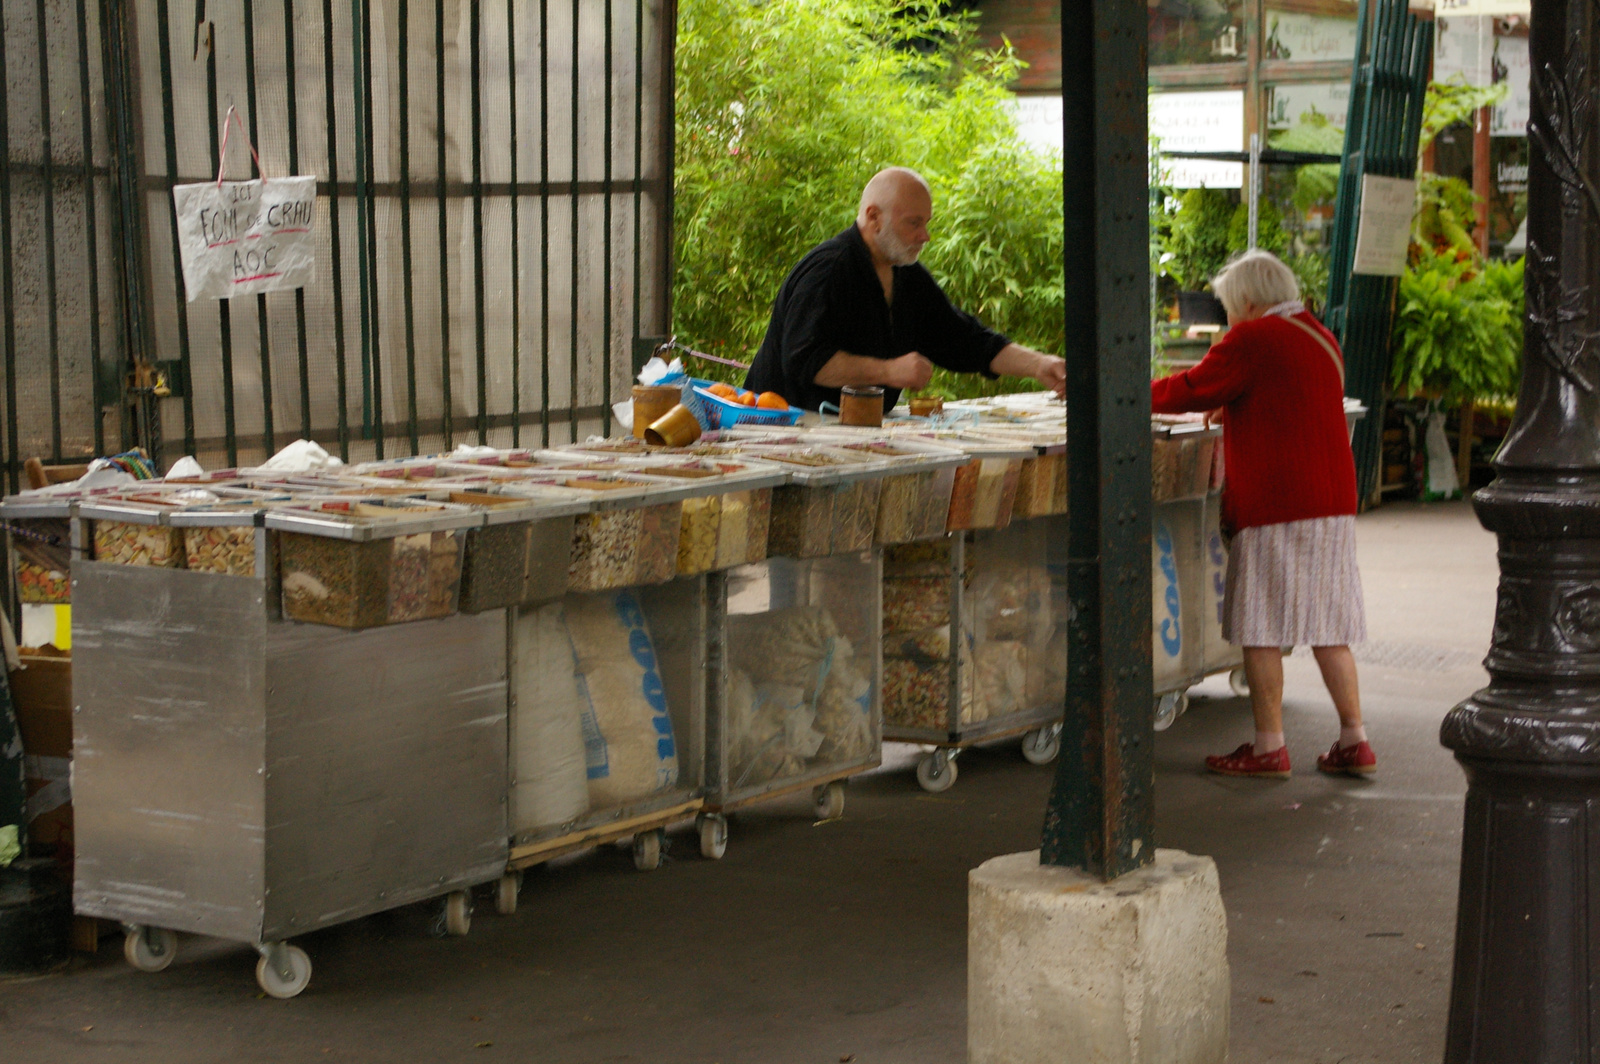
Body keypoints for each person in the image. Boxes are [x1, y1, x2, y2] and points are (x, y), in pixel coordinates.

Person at [1150, 249, 1374, 779]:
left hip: (1278, 501)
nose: (1229, 317)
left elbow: (1190, 388)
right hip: (1331, 500)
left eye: (1230, 307)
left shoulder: (1253, 339)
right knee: (1329, 624)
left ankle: (1269, 746)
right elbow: (1277, 395)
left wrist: (1121, 396)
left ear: (1248, 301)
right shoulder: (1319, 334)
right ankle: (1355, 739)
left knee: (1262, 625)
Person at [744, 167, 1066, 412]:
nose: (925, 235)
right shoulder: (827, 270)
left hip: (851, 439)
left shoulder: (907, 276)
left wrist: (1039, 365)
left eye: (927, 223)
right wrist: (889, 370)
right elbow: (803, 360)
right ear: (874, 217)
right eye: (914, 223)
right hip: (782, 436)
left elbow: (965, 340)